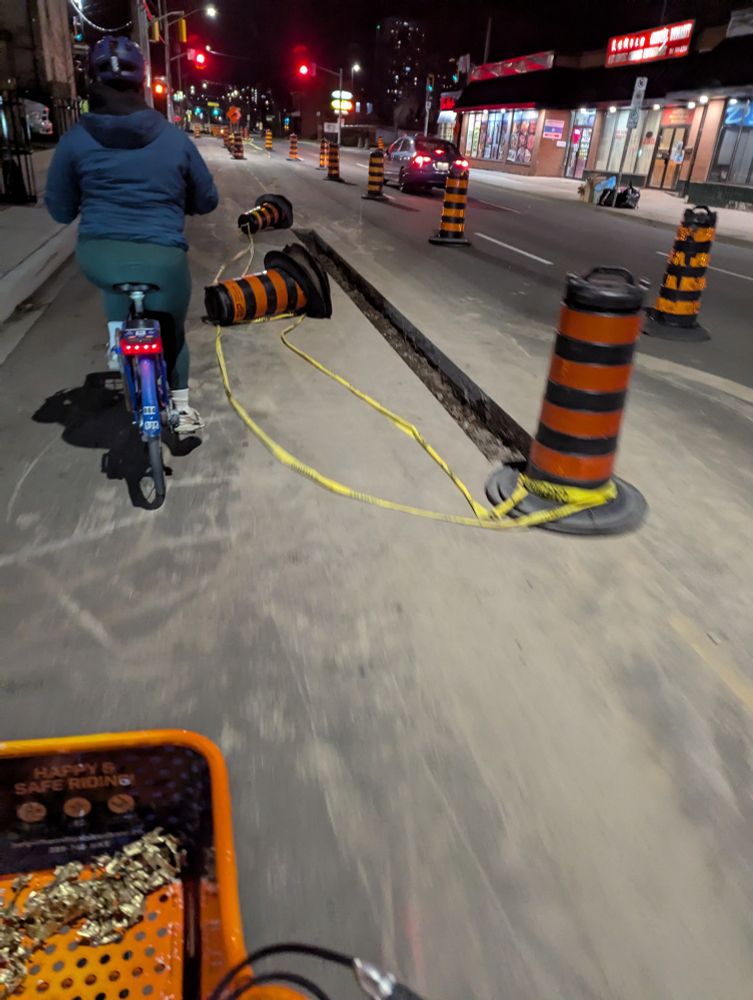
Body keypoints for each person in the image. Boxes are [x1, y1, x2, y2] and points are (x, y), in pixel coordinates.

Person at [45, 36, 218, 434]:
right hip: (163, 259)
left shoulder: (74, 141)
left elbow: (59, 209)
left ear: (93, 82)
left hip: (100, 257)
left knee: (115, 285)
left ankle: (117, 340)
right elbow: (207, 199)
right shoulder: (174, 139)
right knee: (173, 333)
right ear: (142, 83)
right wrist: (183, 201)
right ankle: (182, 410)